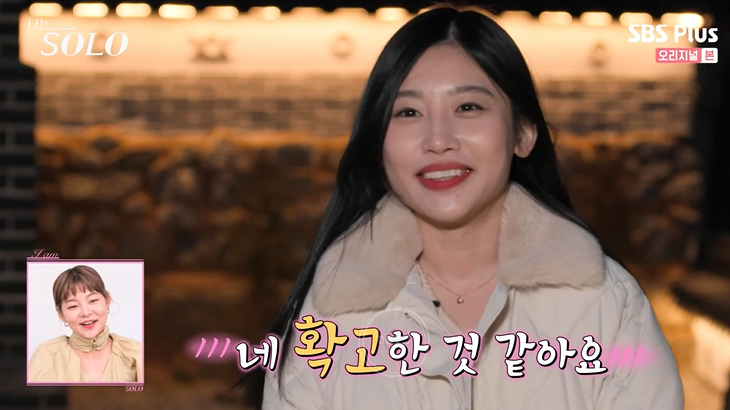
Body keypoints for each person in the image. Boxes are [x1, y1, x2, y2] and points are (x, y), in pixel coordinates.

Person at [238, 5, 684, 409]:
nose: (438, 140)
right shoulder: (330, 319)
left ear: (523, 134)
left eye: (468, 106)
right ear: (378, 146)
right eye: (408, 113)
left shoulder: (606, 304)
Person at [28, 265, 142, 383]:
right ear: (61, 314)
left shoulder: (136, 353)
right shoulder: (46, 355)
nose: (86, 312)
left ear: (107, 301)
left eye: (93, 301)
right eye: (73, 306)